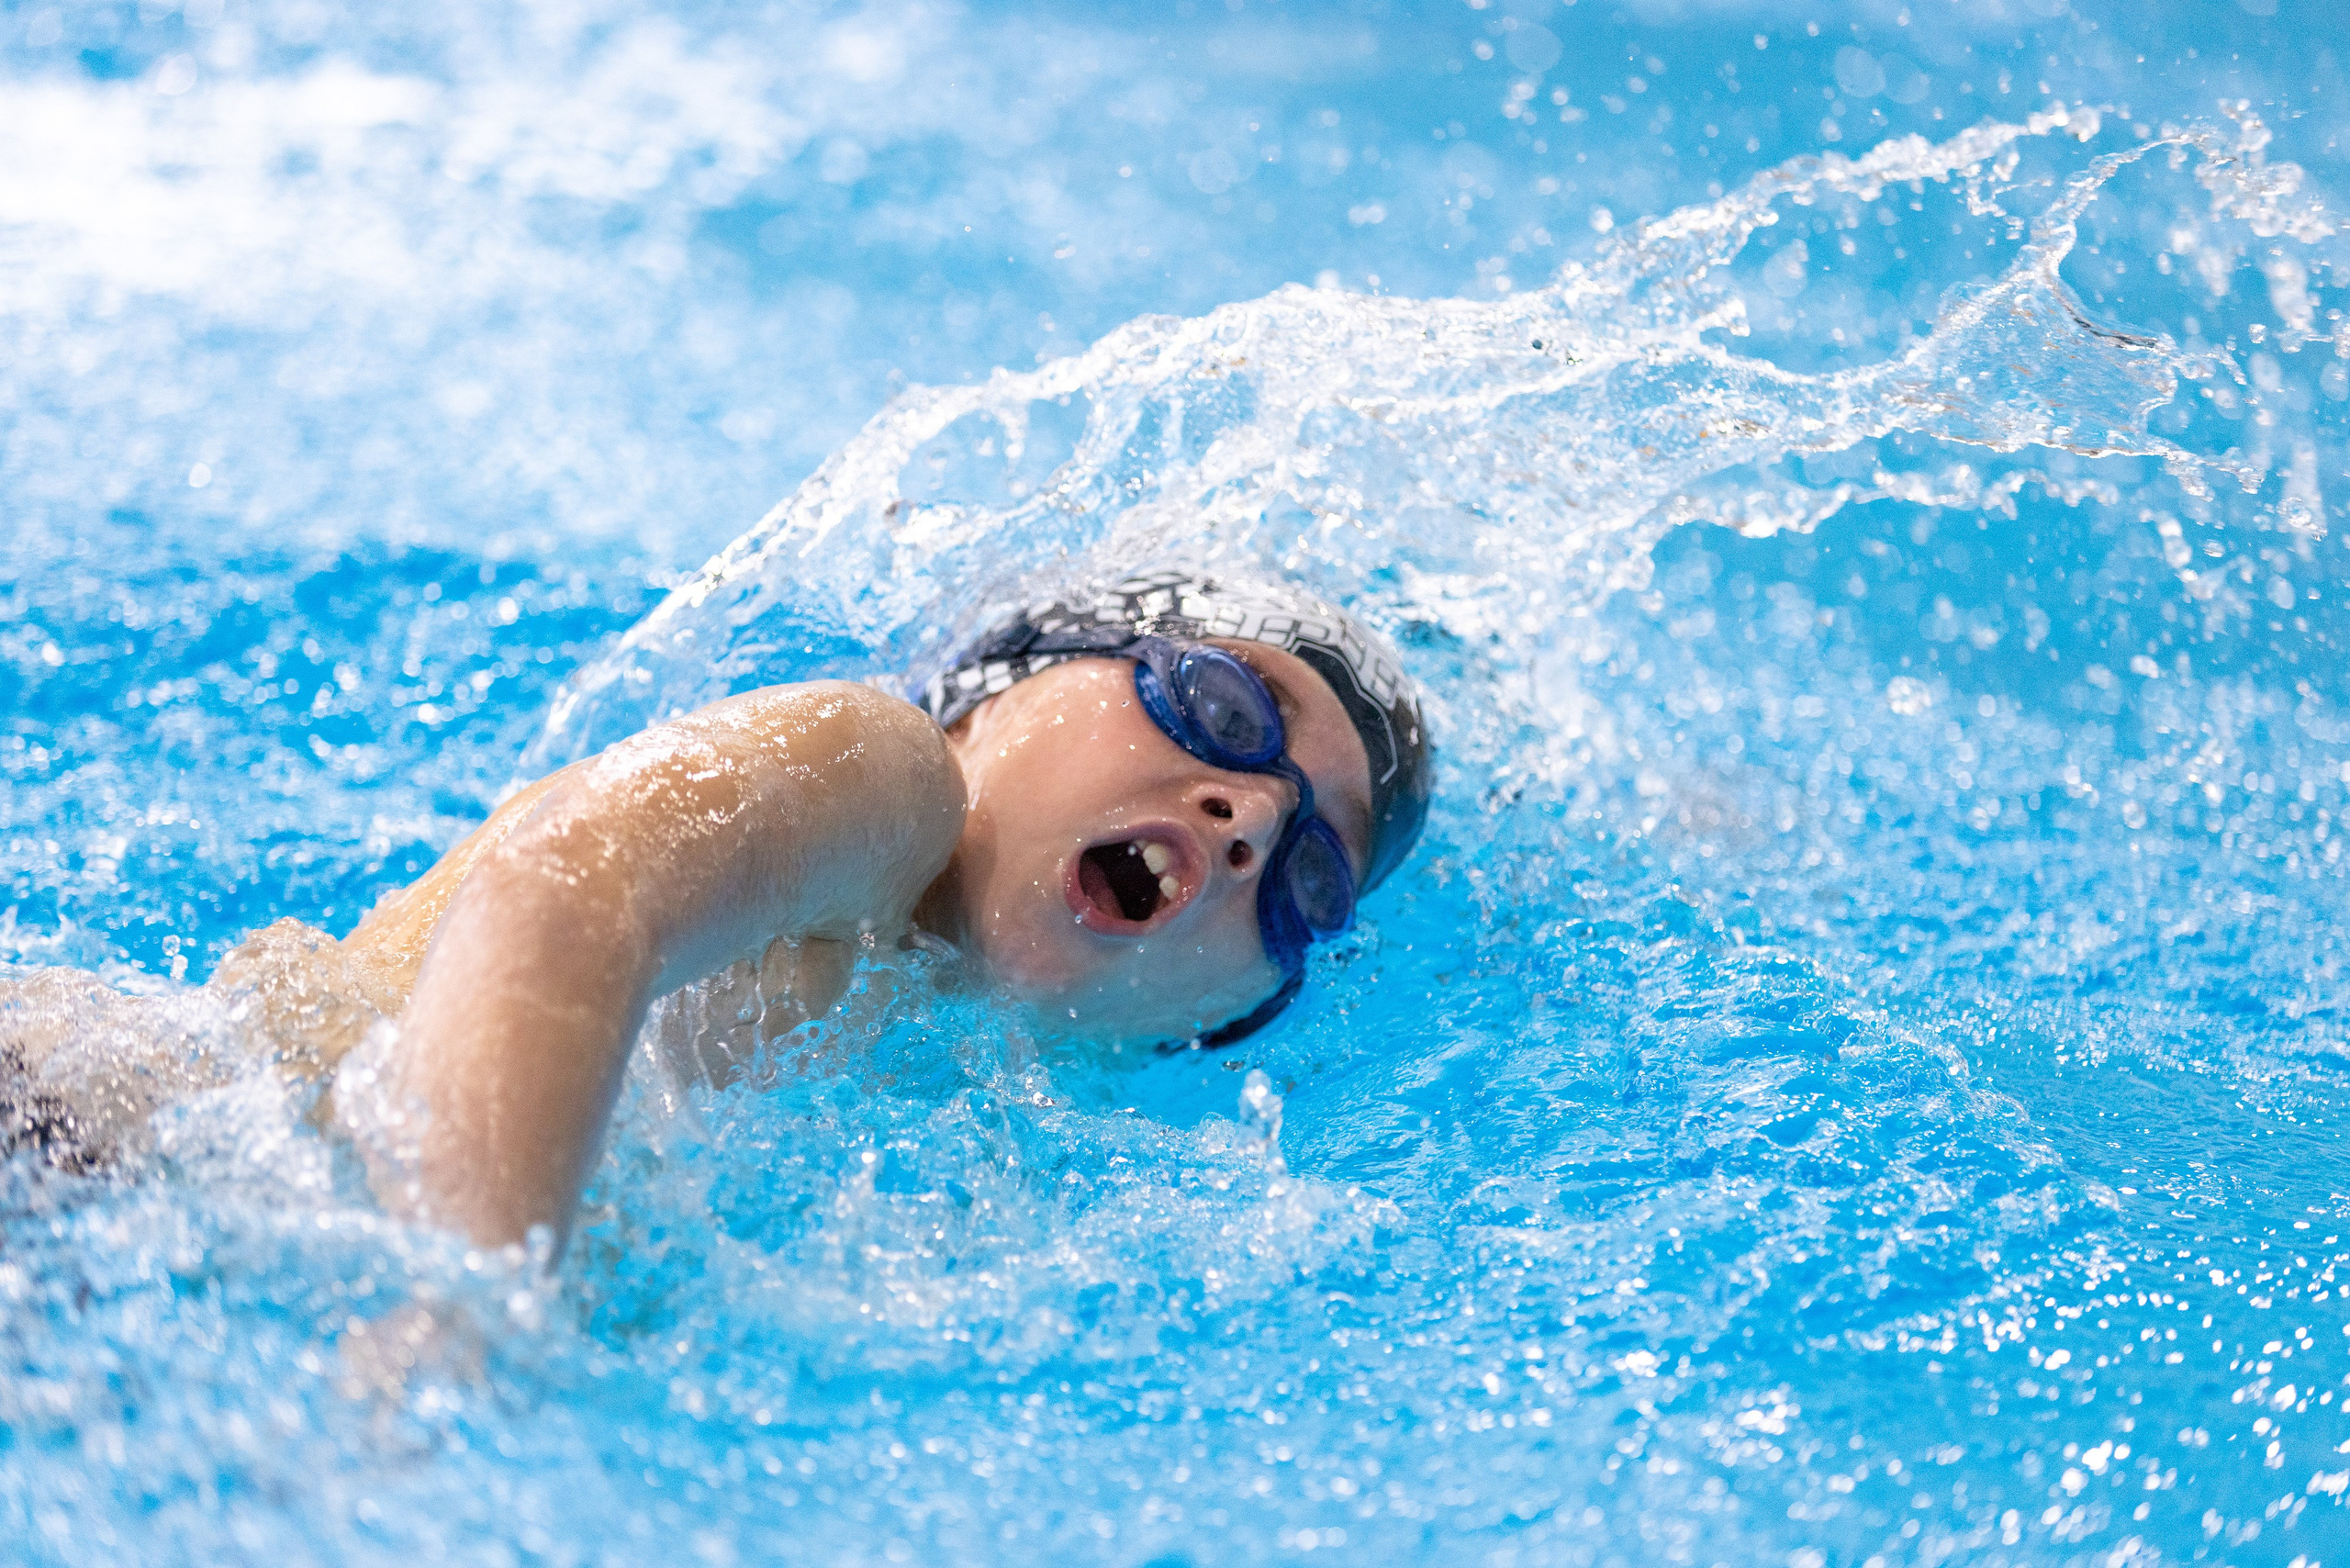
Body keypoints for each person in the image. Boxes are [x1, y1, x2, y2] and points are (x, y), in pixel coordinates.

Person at [1, 567, 1431, 1256]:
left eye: (1313, 877)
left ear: (1223, 1021)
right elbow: (567, 884)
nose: (1251, 821)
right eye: (1224, 709)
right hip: (81, 1130)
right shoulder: (886, 782)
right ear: (1011, 681)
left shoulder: (961, 1125)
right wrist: (463, 1307)